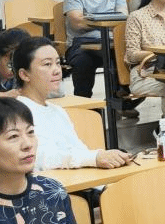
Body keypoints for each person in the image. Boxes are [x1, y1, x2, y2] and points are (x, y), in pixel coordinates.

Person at [13, 36, 130, 171]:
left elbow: (79, 150)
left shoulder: (58, 111)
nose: (57, 70)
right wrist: (94, 158)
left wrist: (105, 156)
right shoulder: (17, 115)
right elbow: (41, 159)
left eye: (58, 63)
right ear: (24, 74)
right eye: (47, 64)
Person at [62, 0, 127, 97]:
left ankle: (120, 99)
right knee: (83, 60)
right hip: (82, 44)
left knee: (125, 54)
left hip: (112, 42)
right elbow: (77, 22)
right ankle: (84, 102)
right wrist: (109, 22)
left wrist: (92, 19)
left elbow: (122, 20)